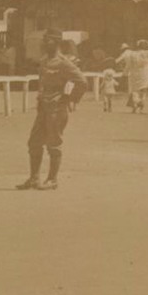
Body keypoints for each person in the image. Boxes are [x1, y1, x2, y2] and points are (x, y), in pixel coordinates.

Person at [20, 32, 87, 191]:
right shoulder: (44, 60)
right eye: (44, 41)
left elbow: (82, 82)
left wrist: (68, 98)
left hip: (57, 108)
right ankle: (34, 178)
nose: (45, 43)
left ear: (56, 43)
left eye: (48, 41)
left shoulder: (64, 63)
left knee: (53, 144)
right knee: (34, 142)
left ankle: (52, 179)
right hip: (43, 106)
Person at [128, 39, 148, 113]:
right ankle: (140, 105)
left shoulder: (132, 54)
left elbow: (129, 64)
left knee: (135, 90)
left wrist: (127, 72)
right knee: (143, 90)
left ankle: (136, 103)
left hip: (135, 72)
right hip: (145, 73)